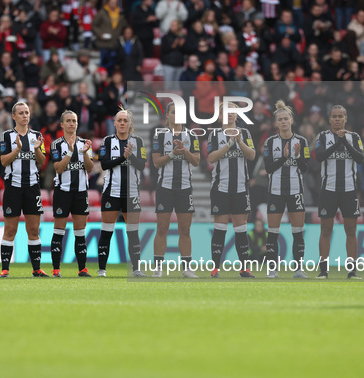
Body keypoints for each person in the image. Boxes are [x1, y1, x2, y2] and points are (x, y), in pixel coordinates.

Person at [314, 105, 364, 279]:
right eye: (334, 116)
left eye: (340, 116)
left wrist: (344, 142)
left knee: (351, 230)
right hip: (328, 189)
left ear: (345, 119)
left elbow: (360, 158)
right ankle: (323, 271)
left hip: (349, 190)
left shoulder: (354, 137)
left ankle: (352, 271)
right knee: (326, 230)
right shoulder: (322, 136)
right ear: (329, 119)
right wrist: (338, 142)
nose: (337, 119)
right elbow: (319, 157)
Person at [0, 102, 47, 278]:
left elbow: (42, 162)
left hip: (32, 187)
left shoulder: (37, 136)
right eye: (21, 113)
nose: (25, 115)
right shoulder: (6, 136)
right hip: (13, 187)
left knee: (34, 230)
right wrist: (17, 148)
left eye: (27, 112)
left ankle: (36, 269)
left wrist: (36, 150)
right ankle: (5, 269)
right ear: (14, 116)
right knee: (10, 230)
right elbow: (3, 161)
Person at [207, 102, 256, 278]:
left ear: (236, 116)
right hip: (220, 188)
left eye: (232, 112)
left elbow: (251, 155)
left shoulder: (246, 133)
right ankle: (215, 268)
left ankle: (244, 268)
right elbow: (211, 157)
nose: (229, 115)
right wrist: (229, 144)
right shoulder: (215, 134)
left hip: (241, 189)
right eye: (225, 112)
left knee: (241, 229)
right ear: (220, 116)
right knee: (220, 228)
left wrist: (239, 141)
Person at [151, 102, 200, 278]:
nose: (177, 115)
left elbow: (196, 161)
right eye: (173, 112)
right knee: (162, 228)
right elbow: (156, 163)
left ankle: (187, 268)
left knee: (185, 229)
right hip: (165, 187)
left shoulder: (192, 135)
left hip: (185, 188)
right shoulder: (159, 136)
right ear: (167, 115)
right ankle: (158, 268)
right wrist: (173, 153)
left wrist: (184, 151)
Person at [98, 108, 147, 278]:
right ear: (114, 123)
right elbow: (104, 164)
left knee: (133, 232)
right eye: (119, 120)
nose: (122, 123)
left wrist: (131, 156)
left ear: (130, 123)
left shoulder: (138, 141)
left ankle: (136, 269)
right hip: (111, 192)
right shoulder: (107, 141)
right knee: (106, 231)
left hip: (132, 193)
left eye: (125, 121)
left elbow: (141, 165)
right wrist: (123, 157)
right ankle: (102, 270)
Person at [263, 100, 310, 279]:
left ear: (292, 120)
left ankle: (298, 269)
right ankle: (272, 270)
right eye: (280, 119)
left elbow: (305, 168)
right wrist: (283, 158)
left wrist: (297, 156)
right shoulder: (270, 142)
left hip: (295, 191)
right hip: (275, 191)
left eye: (286, 119)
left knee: (297, 232)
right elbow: (268, 168)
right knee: (273, 232)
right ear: (276, 123)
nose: (283, 122)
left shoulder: (302, 141)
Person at [49, 110, 94, 277]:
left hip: (81, 192)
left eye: (74, 121)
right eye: (68, 121)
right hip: (63, 192)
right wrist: (69, 152)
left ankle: (82, 269)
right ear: (62, 124)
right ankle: (56, 269)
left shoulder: (85, 144)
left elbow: (89, 169)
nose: (71, 124)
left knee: (80, 232)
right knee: (59, 231)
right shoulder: (56, 145)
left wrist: (84, 154)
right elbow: (59, 168)